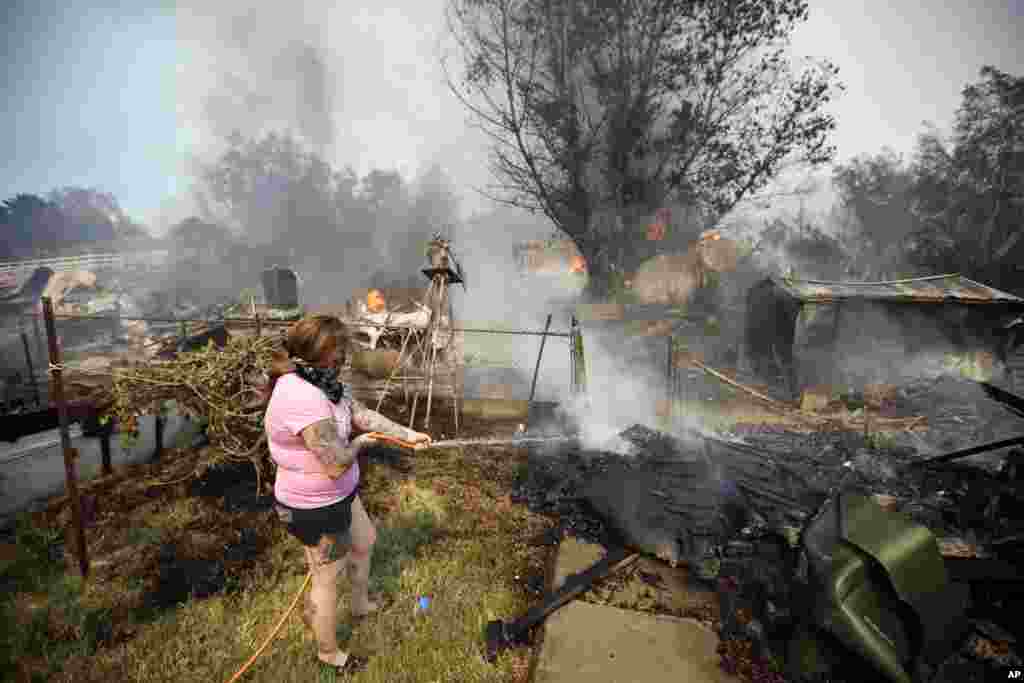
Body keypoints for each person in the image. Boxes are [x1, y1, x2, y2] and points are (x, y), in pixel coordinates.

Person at [263, 315, 431, 672]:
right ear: (318, 352)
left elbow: (361, 414)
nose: (345, 358)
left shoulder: (324, 382)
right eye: (338, 350)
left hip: (340, 494)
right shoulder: (301, 395)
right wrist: (358, 445)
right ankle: (329, 654)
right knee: (327, 580)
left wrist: (407, 434)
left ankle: (360, 605)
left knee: (365, 539)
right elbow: (336, 463)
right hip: (314, 506)